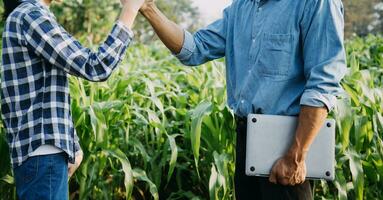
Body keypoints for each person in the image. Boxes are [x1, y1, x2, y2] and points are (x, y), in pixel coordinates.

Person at [139, 0, 346, 199]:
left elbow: (322, 85)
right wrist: (149, 8)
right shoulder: (243, 6)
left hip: (290, 142)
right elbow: (195, 49)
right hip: (247, 137)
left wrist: (296, 155)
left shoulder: (316, 3)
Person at [0, 0, 145, 199]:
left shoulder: (27, 15)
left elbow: (45, 93)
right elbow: (96, 66)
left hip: (42, 157)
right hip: (43, 158)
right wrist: (131, 8)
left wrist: (72, 146)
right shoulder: (30, 16)